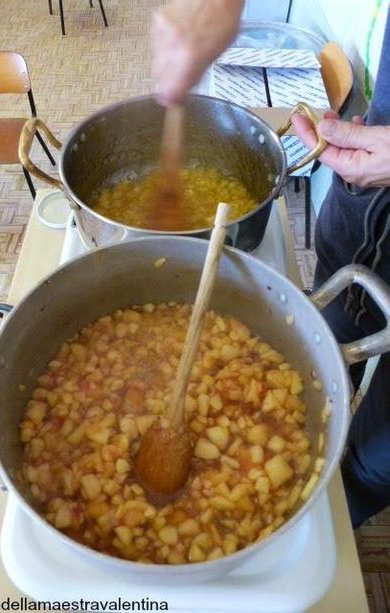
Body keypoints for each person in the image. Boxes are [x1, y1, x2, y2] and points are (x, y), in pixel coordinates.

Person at [152, 0, 390, 528]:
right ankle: (335, 401)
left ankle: (328, 514)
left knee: (378, 459)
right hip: (363, 218)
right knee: (327, 346)